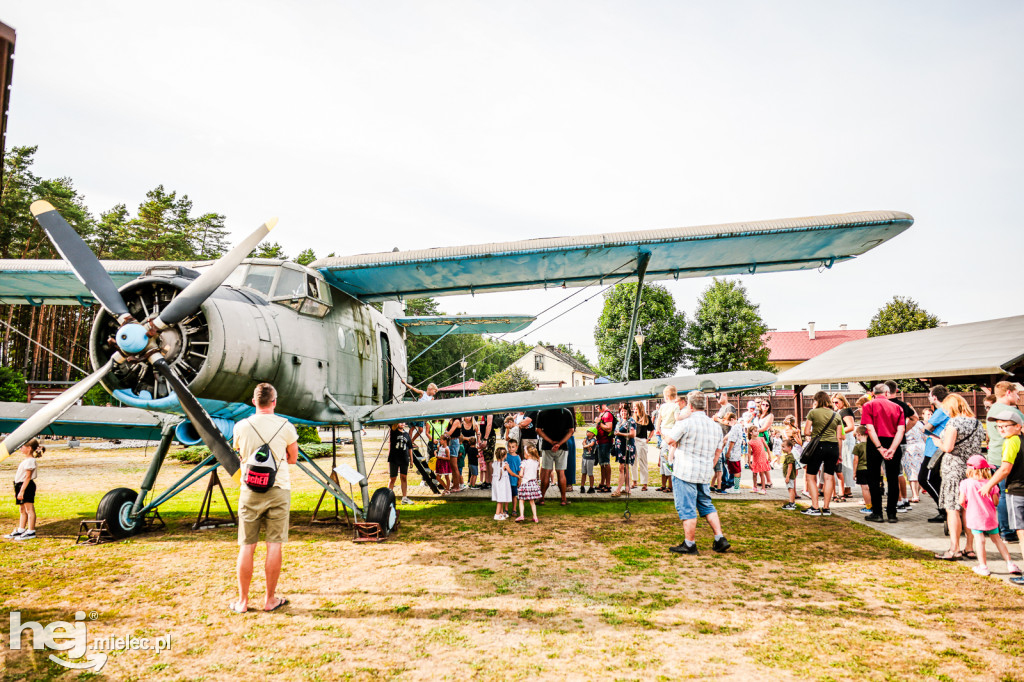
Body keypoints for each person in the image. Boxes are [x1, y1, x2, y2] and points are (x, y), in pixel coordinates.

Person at [232, 382, 299, 614]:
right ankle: (270, 599)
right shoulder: (286, 425)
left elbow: (240, 454)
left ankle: (242, 601)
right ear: (274, 402)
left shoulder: (241, 426)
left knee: (246, 546)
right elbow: (292, 459)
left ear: (254, 402)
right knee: (274, 545)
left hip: (249, 490)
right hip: (278, 488)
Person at [664, 390, 731, 555]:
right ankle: (719, 538)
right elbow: (717, 453)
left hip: (685, 471)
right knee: (706, 505)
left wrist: (671, 426)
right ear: (705, 405)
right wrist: (709, 467)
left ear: (690, 405)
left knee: (687, 508)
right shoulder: (715, 427)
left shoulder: (686, 423)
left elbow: (670, 440)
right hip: (703, 472)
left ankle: (690, 544)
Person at [932, 394, 983, 561]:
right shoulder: (977, 423)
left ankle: (954, 548)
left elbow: (948, 447)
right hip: (971, 470)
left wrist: (936, 442)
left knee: (953, 509)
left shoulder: (954, 423)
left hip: (953, 469)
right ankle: (970, 547)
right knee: (968, 508)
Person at [980, 411, 1024, 584]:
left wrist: (989, 484)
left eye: (1006, 426)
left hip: (1017, 492)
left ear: (1018, 426)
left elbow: (1005, 469)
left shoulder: (1011, 442)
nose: (1001, 430)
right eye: (998, 427)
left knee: (1021, 533)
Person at [959, 454, 1017, 576]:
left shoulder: (966, 483)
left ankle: (983, 566)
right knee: (997, 539)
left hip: (975, 517)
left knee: (980, 540)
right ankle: (1010, 563)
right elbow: (996, 501)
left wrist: (966, 506)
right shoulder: (991, 483)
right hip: (990, 516)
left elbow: (961, 501)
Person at [983, 381, 1024, 544]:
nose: (1018, 397)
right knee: (1008, 495)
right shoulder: (1010, 412)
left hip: (994, 456)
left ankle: (1005, 530)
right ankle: (1009, 531)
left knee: (1002, 494)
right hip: (1008, 458)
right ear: (1008, 393)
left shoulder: (993, 409)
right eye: (1016, 393)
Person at [860, 384, 905, 523]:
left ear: (873, 393)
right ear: (887, 392)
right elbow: (901, 430)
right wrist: (892, 448)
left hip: (875, 443)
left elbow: (870, 428)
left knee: (873, 478)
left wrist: (879, 447)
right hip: (893, 441)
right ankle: (892, 513)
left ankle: (877, 513)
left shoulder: (868, 406)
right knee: (892, 479)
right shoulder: (898, 407)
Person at [801, 391, 844, 517]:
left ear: (817, 400)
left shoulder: (813, 412)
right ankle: (826, 508)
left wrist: (816, 432)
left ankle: (815, 506)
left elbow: (807, 431)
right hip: (834, 447)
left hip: (818, 446)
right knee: (829, 477)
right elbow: (839, 436)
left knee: (811, 475)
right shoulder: (836, 415)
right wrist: (839, 454)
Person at [884, 381, 919, 512]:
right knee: (899, 471)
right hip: (902, 441)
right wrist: (904, 430)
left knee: (892, 472)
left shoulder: (886, 404)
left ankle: (898, 501)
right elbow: (915, 418)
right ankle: (904, 499)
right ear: (897, 390)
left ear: (886, 392)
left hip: (890, 441)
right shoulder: (903, 405)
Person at [5, 438, 45, 541]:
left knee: (29, 509)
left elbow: (27, 477)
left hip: (26, 486)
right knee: (22, 509)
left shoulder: (31, 461)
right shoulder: (27, 460)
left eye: (22, 447)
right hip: (20, 485)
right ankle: (21, 529)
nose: (21, 449)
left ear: (29, 448)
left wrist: (22, 490)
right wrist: (18, 490)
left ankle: (31, 531)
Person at [921, 385, 950, 521]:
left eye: (929, 395)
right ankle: (944, 508)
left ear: (934, 397)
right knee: (934, 479)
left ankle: (944, 508)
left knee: (924, 478)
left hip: (934, 449)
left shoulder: (941, 410)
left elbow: (926, 428)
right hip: (935, 448)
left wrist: (925, 428)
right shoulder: (945, 409)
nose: (928, 397)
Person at [537, 407, 575, 505]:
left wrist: (550, 442)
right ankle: (563, 499)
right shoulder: (567, 412)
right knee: (561, 473)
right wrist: (559, 443)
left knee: (546, 472)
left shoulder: (542, 412)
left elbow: (538, 430)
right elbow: (571, 430)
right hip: (562, 447)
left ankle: (541, 499)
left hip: (547, 446)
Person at [833, 393, 857, 499]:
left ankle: (847, 489)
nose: (835, 404)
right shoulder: (839, 411)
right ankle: (845, 489)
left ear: (843, 401)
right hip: (843, 439)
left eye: (837, 402)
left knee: (846, 463)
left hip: (846, 440)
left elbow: (851, 427)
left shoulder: (845, 411)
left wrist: (838, 432)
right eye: (833, 402)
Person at [400, 379, 437, 445]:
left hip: (422, 415)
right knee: (412, 427)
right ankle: (410, 440)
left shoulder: (432, 398)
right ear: (431, 389)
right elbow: (413, 389)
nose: (434, 393)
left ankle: (412, 440)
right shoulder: (423, 393)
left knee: (421, 430)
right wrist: (405, 383)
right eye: (434, 391)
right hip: (416, 412)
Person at [656, 389, 679, 493]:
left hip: (665, 433)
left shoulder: (663, 406)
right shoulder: (675, 406)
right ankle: (666, 485)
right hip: (670, 432)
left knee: (666, 459)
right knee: (667, 459)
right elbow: (677, 419)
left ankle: (668, 485)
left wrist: (658, 429)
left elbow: (658, 420)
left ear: (666, 396)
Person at [612, 404, 636, 497]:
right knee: (625, 467)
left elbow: (632, 434)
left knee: (622, 468)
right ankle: (627, 488)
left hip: (627, 447)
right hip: (620, 447)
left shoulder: (631, 421)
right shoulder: (620, 421)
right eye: (622, 411)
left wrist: (620, 434)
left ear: (628, 412)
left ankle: (618, 489)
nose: (623, 413)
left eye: (625, 411)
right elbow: (616, 432)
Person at [387, 422, 413, 504]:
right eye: (400, 422)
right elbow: (391, 423)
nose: (402, 424)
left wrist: (411, 460)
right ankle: (388, 498)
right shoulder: (393, 431)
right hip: (394, 458)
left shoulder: (406, 434)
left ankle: (404, 497)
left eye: (403, 422)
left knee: (404, 477)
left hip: (404, 458)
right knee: (392, 478)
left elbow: (410, 448)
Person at [516, 444, 542, 523]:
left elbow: (521, 474)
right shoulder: (536, 463)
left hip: (526, 483)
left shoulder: (524, 462)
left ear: (527, 454)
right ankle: (535, 516)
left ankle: (521, 515)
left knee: (521, 500)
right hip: (533, 484)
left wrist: (520, 476)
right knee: (532, 501)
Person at [851, 426, 872, 514]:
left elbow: (856, 460)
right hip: (871, 469)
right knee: (871, 488)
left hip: (861, 469)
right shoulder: (872, 445)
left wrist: (854, 472)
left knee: (865, 489)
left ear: (859, 434)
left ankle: (868, 507)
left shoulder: (858, 446)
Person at [595, 404, 615, 493]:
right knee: (602, 463)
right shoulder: (603, 414)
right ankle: (602, 483)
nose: (596, 408)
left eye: (597, 406)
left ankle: (608, 485)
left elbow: (609, 428)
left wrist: (599, 423)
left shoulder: (607, 414)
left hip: (605, 442)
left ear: (602, 404)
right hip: (600, 442)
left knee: (606, 463)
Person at [633, 402, 652, 491]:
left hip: (642, 441)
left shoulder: (647, 418)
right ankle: (634, 481)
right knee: (633, 462)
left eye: (635, 408)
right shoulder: (633, 418)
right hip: (633, 440)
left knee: (643, 462)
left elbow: (652, 430)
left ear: (640, 408)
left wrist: (648, 439)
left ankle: (644, 483)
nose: (634, 409)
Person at [746, 424, 770, 495]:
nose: (757, 433)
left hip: (762, 459)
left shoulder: (761, 439)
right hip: (755, 460)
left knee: (761, 474)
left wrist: (769, 456)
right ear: (751, 433)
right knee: (754, 474)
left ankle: (763, 489)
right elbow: (749, 453)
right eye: (755, 431)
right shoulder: (750, 442)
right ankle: (755, 487)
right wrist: (749, 462)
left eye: (757, 431)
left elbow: (767, 447)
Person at [491, 447, 513, 520]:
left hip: (497, 484)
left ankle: (501, 513)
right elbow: (511, 473)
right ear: (505, 455)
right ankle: (497, 515)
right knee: (500, 500)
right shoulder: (505, 465)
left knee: (501, 497)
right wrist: (518, 476)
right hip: (502, 484)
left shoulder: (494, 464)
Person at [780, 438, 798, 510]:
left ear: (789, 447)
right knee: (791, 489)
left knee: (790, 489)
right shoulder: (789, 455)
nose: (782, 448)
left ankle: (791, 504)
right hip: (790, 476)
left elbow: (790, 467)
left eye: (784, 447)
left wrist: (787, 476)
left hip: (789, 476)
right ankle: (793, 502)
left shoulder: (790, 456)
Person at [506, 438, 523, 516]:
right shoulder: (506, 456)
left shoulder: (517, 458)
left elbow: (519, 470)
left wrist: (519, 480)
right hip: (506, 479)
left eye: (513, 447)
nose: (511, 449)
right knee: (506, 495)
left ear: (516, 447)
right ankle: (506, 509)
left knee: (514, 495)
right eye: (509, 446)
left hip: (514, 480)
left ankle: (514, 509)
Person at [580, 428, 597, 493]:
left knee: (590, 473)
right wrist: (586, 446)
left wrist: (586, 446)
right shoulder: (586, 438)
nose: (587, 432)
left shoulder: (593, 440)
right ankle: (582, 486)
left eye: (588, 432)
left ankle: (591, 487)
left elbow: (592, 444)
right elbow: (583, 442)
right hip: (584, 457)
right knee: (583, 473)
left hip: (590, 459)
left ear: (593, 434)